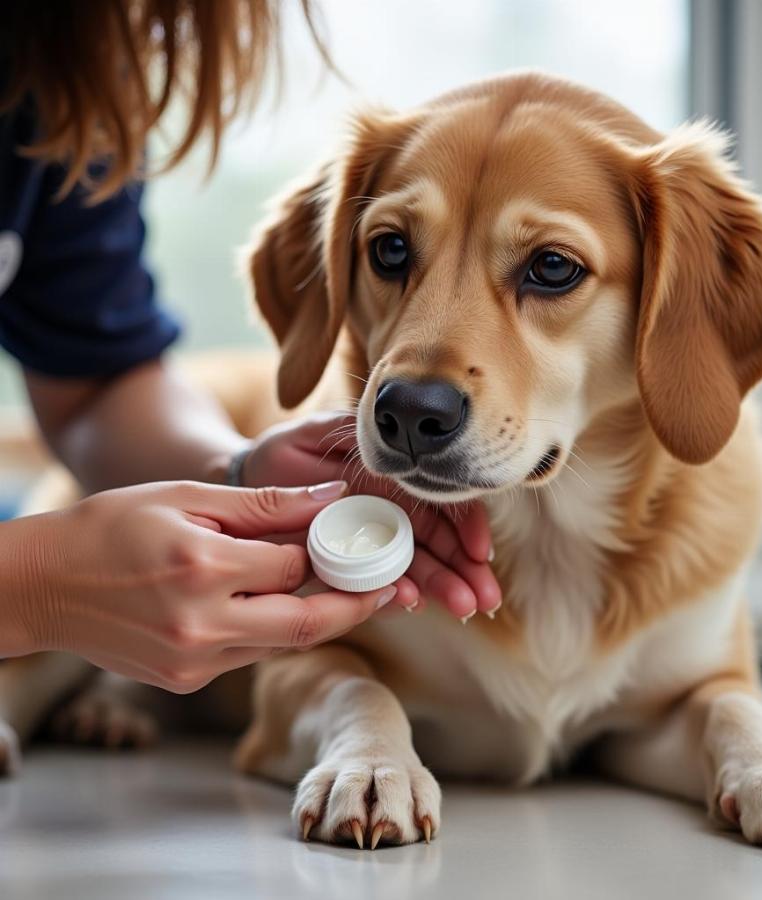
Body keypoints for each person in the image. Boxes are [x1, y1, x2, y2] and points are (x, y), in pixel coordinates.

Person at [0, 1, 499, 693]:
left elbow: (94, 386)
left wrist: (236, 475)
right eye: (390, 250)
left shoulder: (65, 72)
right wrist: (33, 585)